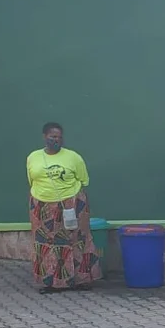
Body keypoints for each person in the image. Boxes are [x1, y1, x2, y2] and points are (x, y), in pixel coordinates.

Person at [26, 122, 102, 292]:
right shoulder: (33, 157)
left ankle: (82, 279)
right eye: (53, 136)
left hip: (72, 203)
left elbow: (84, 179)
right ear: (44, 137)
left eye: (59, 137)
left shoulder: (73, 157)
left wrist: (71, 199)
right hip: (41, 205)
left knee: (77, 238)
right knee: (47, 242)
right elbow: (32, 179)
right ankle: (53, 283)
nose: (56, 140)